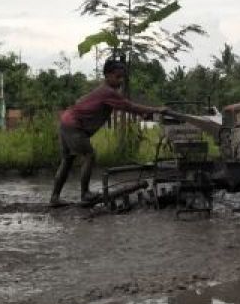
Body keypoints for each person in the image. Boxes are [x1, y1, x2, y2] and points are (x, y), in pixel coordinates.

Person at [49, 58, 167, 205]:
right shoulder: (107, 92)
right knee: (89, 155)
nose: (120, 81)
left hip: (66, 121)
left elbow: (125, 107)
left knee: (67, 160)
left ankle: (55, 198)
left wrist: (141, 113)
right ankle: (85, 194)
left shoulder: (104, 91)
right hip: (74, 125)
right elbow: (129, 106)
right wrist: (156, 109)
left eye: (122, 77)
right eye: (117, 77)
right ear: (107, 75)